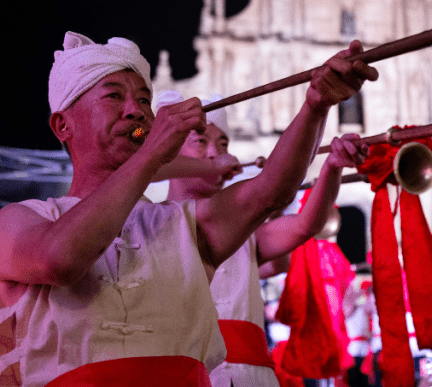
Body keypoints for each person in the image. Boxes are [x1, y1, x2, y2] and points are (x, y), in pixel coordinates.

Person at [0, 32, 377, 387]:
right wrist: (153, 154)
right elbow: (60, 258)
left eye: (143, 99)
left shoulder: (179, 224)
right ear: (62, 126)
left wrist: (316, 105)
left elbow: (269, 192)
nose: (136, 111)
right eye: (113, 96)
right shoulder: (20, 220)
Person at [157, 90, 367, 387]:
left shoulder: (246, 234)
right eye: (201, 142)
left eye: (223, 143)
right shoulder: (150, 222)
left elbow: (305, 225)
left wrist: (332, 166)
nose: (217, 153)